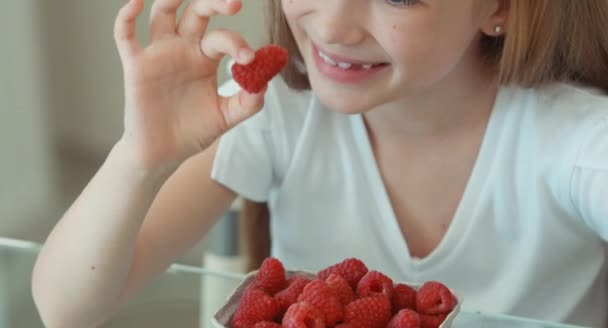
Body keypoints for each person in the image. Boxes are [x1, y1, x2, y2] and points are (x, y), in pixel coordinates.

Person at [32, 0, 608, 326]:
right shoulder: (275, 112)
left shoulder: (576, 141)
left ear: (499, 8)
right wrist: (140, 155)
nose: (332, 25)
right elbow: (64, 305)